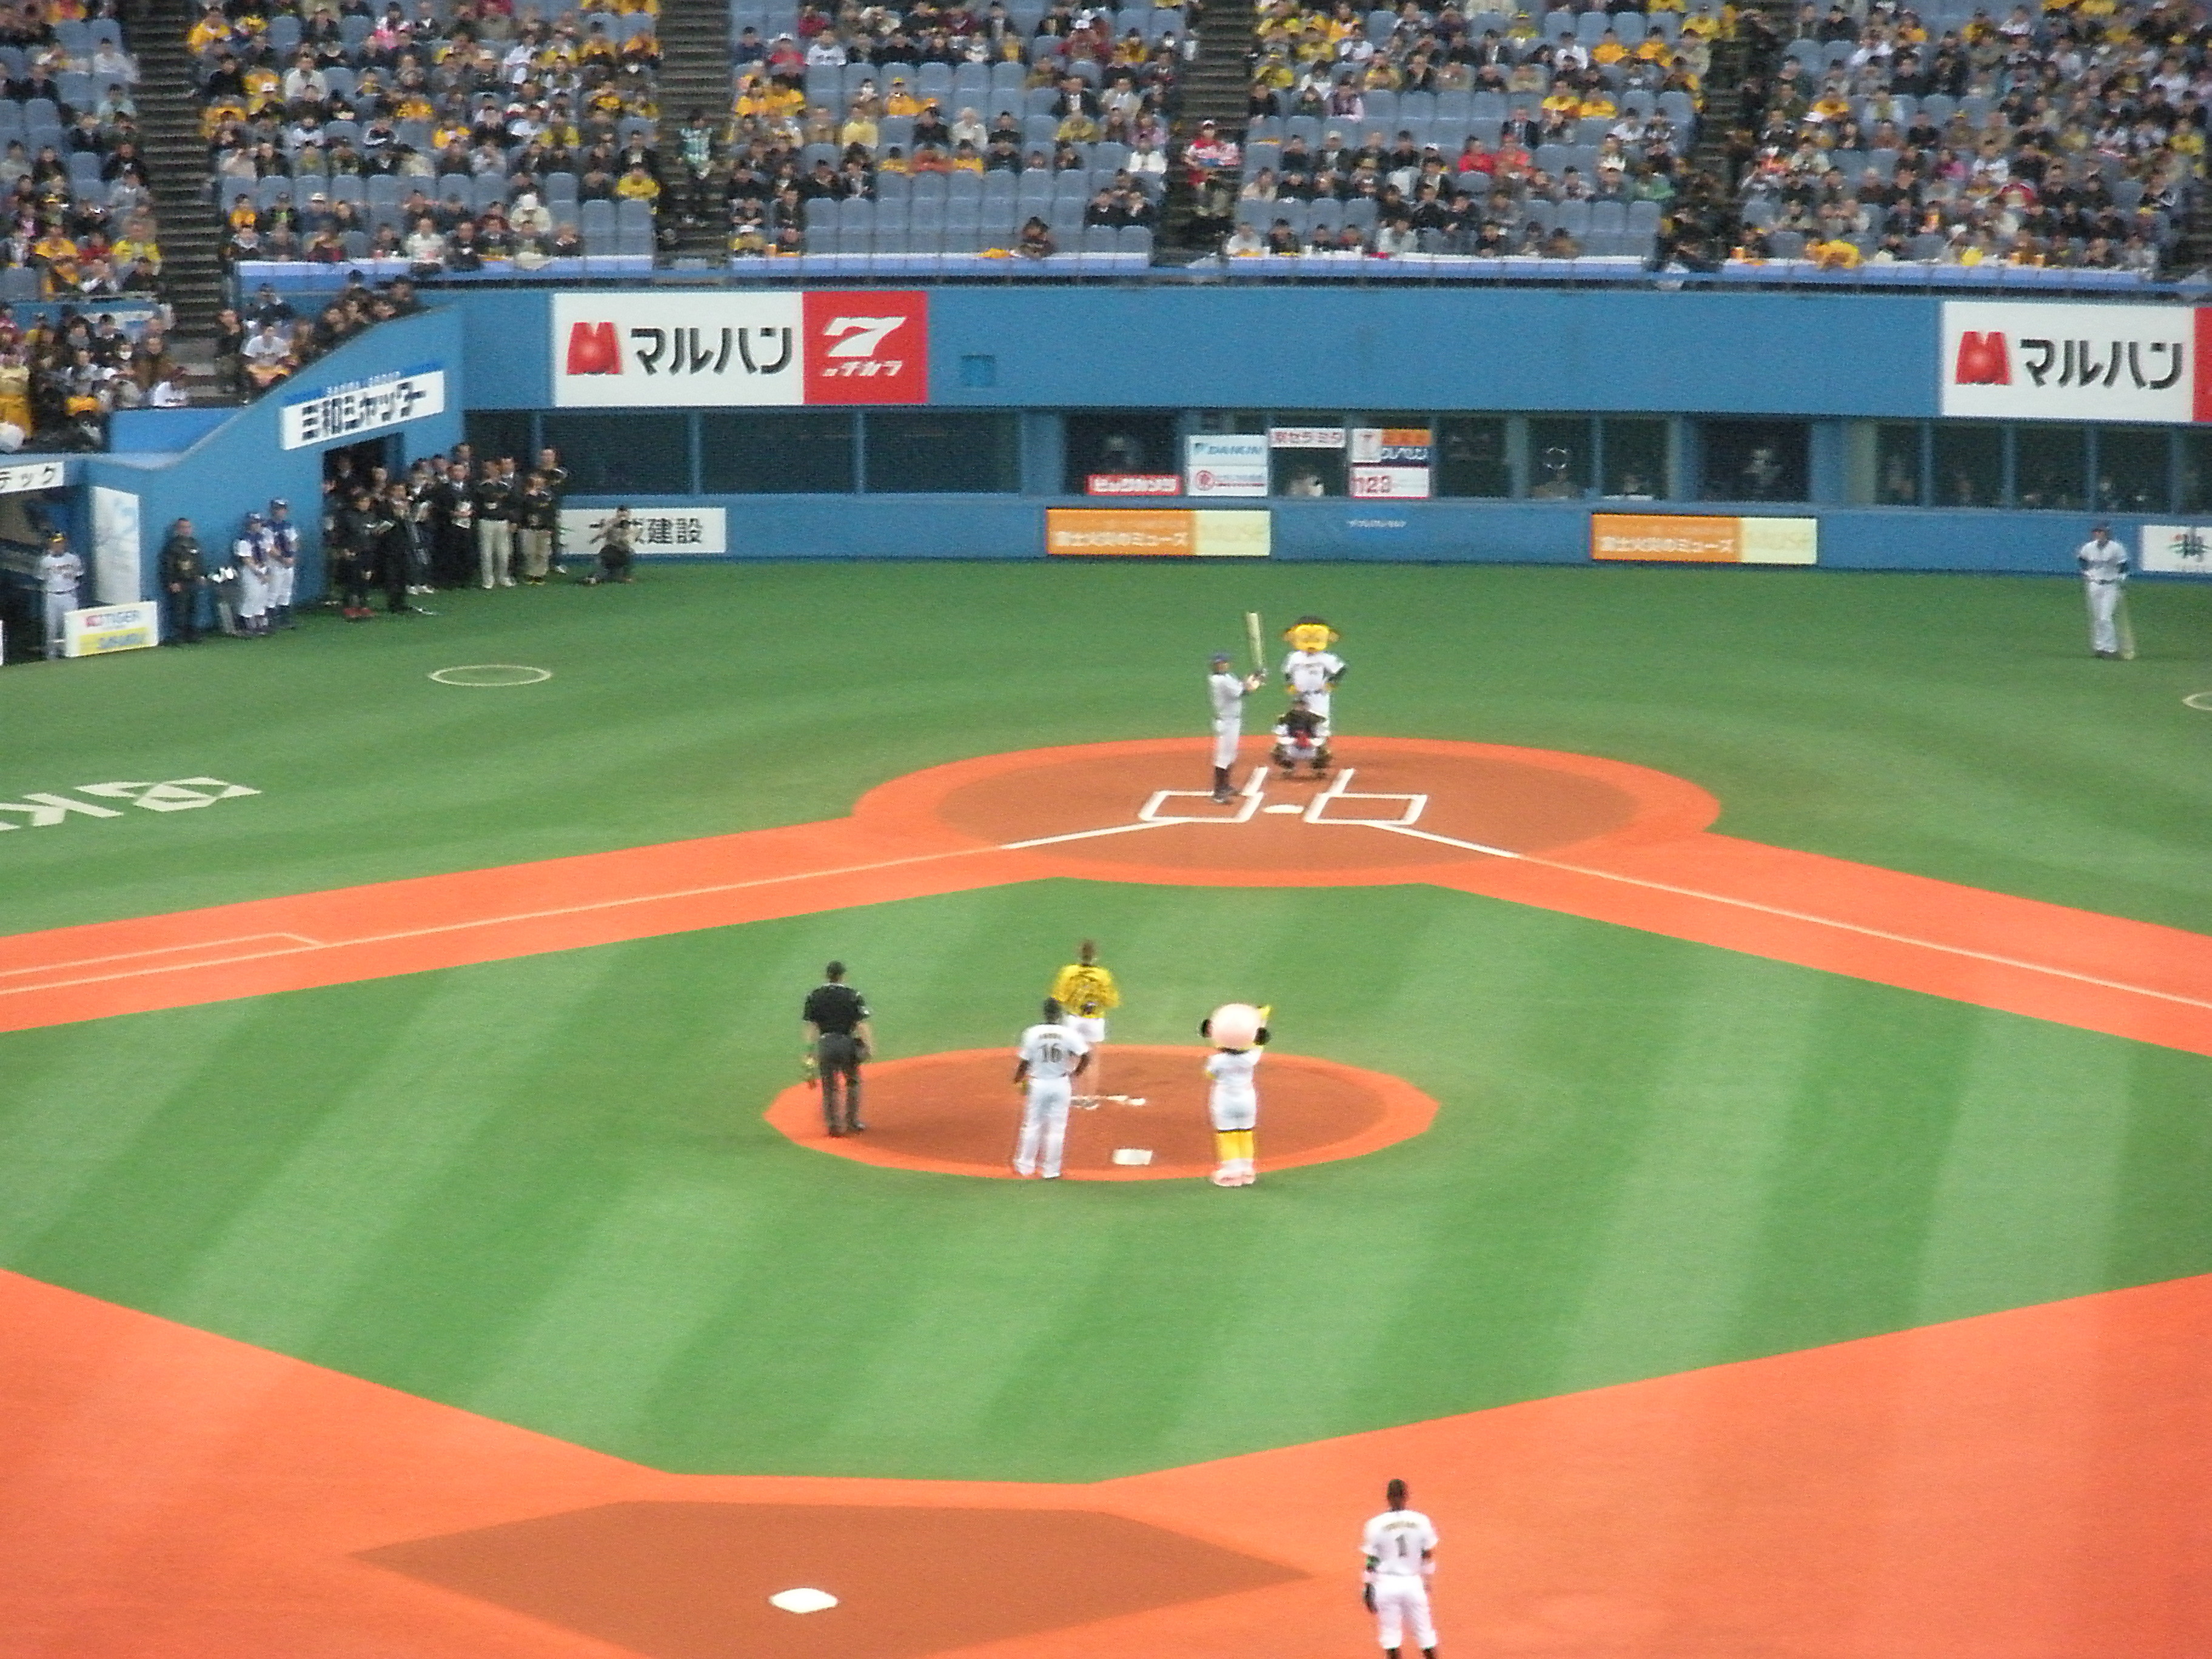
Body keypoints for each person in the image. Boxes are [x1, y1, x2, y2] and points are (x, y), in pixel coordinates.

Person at [1010, 997, 1092, 1179]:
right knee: (1057, 1128)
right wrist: (1076, 1073)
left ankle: (1025, 1167)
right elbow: (1086, 1056)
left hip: (1038, 1083)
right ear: (1059, 1014)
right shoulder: (1068, 1034)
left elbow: (1025, 1061)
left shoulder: (1032, 1033)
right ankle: (1051, 1170)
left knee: (1032, 1125)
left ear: (1045, 1013)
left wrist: (1018, 1080)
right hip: (1061, 1083)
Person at [1361, 1478, 1440, 1659]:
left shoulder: (1375, 1524)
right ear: (1406, 1496)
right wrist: (1426, 1580)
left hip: (1386, 1583)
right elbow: (1427, 1554)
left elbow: (1371, 1560)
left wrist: (1368, 1587)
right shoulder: (1421, 1521)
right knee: (1425, 1634)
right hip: (1413, 1581)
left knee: (1391, 1637)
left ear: (1388, 1497)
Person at [1199, 1000, 1269, 1187]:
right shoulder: (1251, 1058)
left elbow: (1209, 1074)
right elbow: (1258, 1044)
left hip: (1224, 1101)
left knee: (1227, 1135)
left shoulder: (1217, 1060)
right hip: (1247, 1100)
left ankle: (1231, 1172)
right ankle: (1247, 1170)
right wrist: (1260, 1022)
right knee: (1245, 1134)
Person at [802, 960, 873, 1136]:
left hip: (825, 1044)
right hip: (847, 1043)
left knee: (830, 1087)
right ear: (843, 976)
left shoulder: (815, 995)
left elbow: (812, 1027)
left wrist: (809, 1052)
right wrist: (869, 1047)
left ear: (827, 975)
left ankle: (834, 1126)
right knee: (852, 1082)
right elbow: (861, 1024)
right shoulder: (853, 995)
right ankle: (852, 1122)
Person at [1048, 940, 1119, 1105]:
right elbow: (1111, 1001)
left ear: (1079, 954)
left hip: (1073, 1019)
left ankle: (1072, 1095)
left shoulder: (1068, 972)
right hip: (1095, 1021)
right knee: (1092, 1059)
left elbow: (1058, 997)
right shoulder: (1103, 975)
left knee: (1071, 1058)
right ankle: (1089, 1098)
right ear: (1096, 956)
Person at [1207, 650, 1264, 804]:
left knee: (1231, 755)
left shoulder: (1227, 677)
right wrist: (1257, 682)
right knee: (1223, 757)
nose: (1222, 665)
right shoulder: (1219, 680)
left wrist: (1253, 677)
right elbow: (1243, 692)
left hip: (1233, 721)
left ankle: (1225, 786)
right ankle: (1218, 793)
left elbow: (1241, 685)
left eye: (1223, 663)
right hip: (1227, 723)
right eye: (1219, 663)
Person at [1281, 615, 1346, 738]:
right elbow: (1287, 672)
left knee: (1321, 718)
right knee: (1296, 719)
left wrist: (1332, 683)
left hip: (1319, 695)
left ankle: (1321, 743)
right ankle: (1292, 743)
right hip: (1300, 694)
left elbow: (1341, 670)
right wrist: (1290, 685)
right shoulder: (1294, 657)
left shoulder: (1326, 657)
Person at [2076, 521, 2129, 659]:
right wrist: (2086, 572)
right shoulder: (2089, 547)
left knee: (2105, 618)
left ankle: (2111, 649)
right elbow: (2082, 559)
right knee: (2097, 618)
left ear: (2107, 533)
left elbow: (2124, 564)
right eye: (2096, 532)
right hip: (2094, 585)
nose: (2097, 534)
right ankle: (2099, 648)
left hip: (2110, 585)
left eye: (2101, 532)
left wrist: (2122, 576)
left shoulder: (2116, 547)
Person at [35, 532, 81, 660]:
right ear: (51, 544)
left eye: (61, 543)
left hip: (69, 594)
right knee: (52, 627)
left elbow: (79, 575)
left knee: (71, 626)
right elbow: (41, 578)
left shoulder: (73, 558)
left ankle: (70, 652)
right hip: (52, 595)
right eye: (56, 543)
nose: (59, 546)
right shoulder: (45, 561)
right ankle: (51, 656)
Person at [158, 518, 204, 644]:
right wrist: (172, 581)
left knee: (193, 608)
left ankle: (192, 634)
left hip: (193, 581)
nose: (186, 530)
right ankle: (178, 635)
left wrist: (201, 575)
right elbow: (168, 565)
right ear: (177, 529)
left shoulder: (194, 543)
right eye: (183, 527)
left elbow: (199, 562)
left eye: (188, 527)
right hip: (180, 581)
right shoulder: (172, 546)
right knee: (179, 609)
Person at [1272, 694, 1330, 777]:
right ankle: (1288, 768)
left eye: (1302, 705)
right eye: (1298, 705)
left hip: (1311, 747)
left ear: (1306, 706)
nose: (1300, 707)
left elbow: (1323, 734)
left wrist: (1311, 741)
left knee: (1325, 751)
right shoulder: (1285, 719)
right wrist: (1293, 741)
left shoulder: (1316, 719)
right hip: (1291, 747)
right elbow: (1280, 734)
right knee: (1276, 750)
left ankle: (1317, 768)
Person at [264, 498, 300, 628]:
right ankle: (270, 619)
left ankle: (285, 618)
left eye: (283, 509)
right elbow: (269, 547)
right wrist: (282, 558)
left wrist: (292, 556)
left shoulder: (288, 526)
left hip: (288, 562)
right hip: (274, 563)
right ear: (272, 510)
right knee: (274, 590)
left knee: (286, 590)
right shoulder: (267, 527)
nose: (281, 512)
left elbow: (294, 542)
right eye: (278, 509)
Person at [581, 504, 635, 583]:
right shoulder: (611, 523)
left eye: (624, 515)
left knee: (630, 554)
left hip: (623, 552)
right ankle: (594, 577)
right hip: (610, 550)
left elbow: (629, 540)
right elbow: (602, 533)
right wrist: (596, 538)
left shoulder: (632, 526)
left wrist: (625, 530)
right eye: (620, 515)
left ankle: (626, 576)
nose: (622, 518)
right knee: (602, 567)